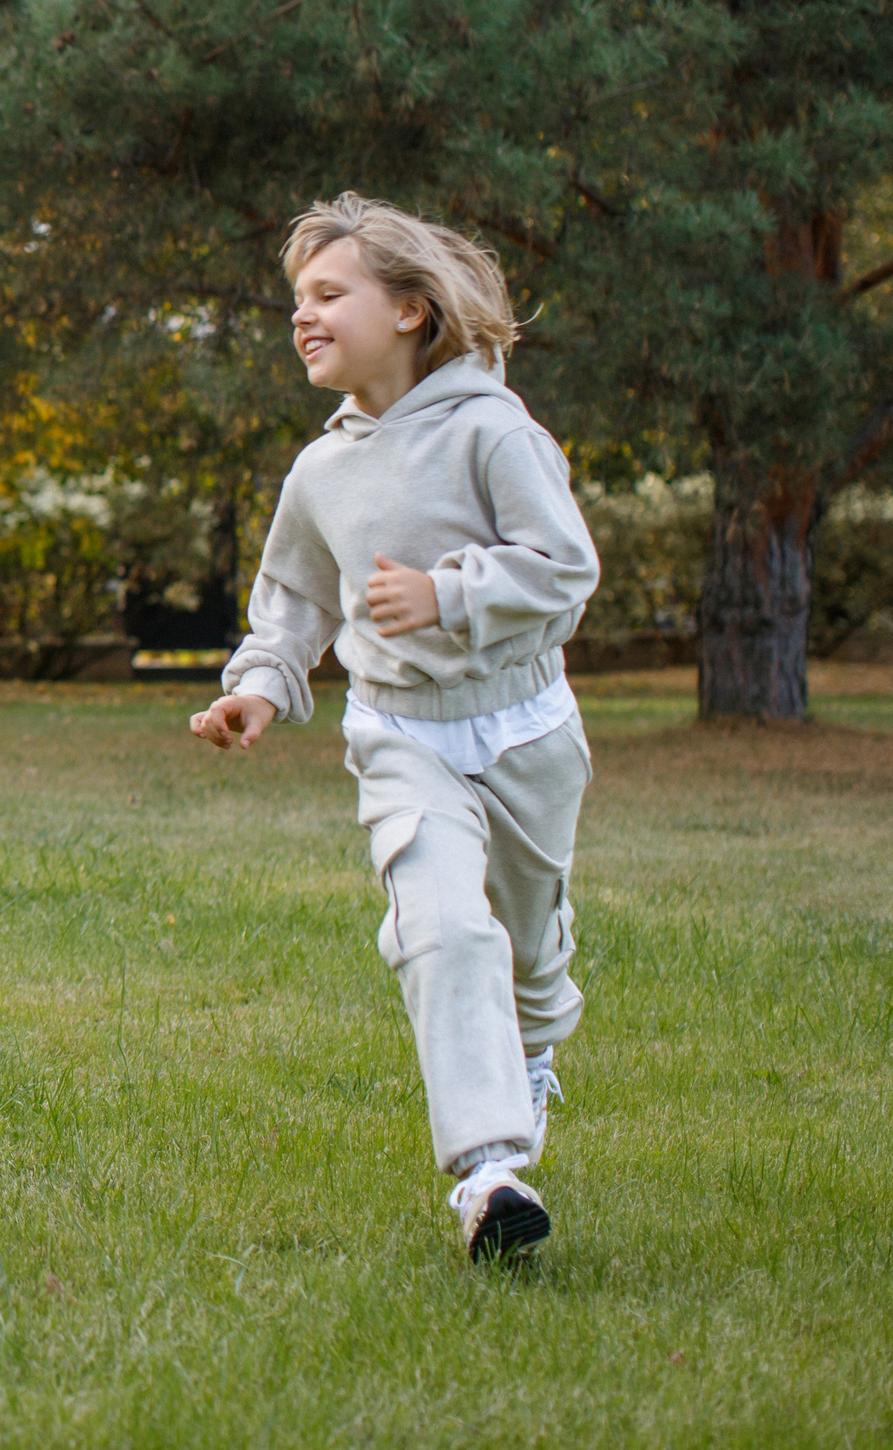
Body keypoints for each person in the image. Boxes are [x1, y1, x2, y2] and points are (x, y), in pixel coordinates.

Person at [189, 194, 600, 1262]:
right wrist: (261, 687)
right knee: (441, 926)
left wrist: (448, 593)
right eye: (296, 299)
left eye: (329, 294)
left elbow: (565, 568)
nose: (302, 316)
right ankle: (489, 1173)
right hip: (400, 732)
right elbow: (291, 603)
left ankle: (533, 1047)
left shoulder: (493, 431)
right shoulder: (320, 470)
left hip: (522, 728)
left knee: (528, 957)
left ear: (412, 310)